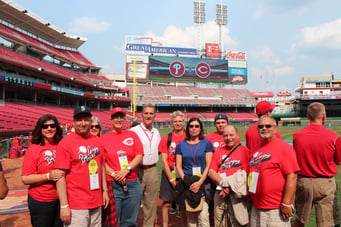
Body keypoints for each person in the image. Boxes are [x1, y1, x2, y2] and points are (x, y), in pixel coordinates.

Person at [55, 106, 109, 227]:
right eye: (79, 120)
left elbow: (101, 167)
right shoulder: (66, 143)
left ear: (91, 121)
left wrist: (104, 191)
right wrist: (64, 205)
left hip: (96, 200)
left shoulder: (97, 140)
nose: (83, 123)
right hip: (76, 204)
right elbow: (60, 176)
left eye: (86, 120)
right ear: (74, 122)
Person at [293, 102, 341, 227]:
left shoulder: (297, 136)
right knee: (326, 222)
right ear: (324, 116)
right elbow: (339, 161)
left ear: (307, 116)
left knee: (299, 219)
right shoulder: (334, 137)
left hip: (303, 181)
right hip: (325, 183)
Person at [248, 115, 299, 226]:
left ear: (275, 128)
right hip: (256, 206)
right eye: (261, 126)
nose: (264, 128)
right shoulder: (255, 149)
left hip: (275, 208)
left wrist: (286, 203)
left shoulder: (284, 148)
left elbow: (292, 176)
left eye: (268, 126)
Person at [101, 107, 144, 227]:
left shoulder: (132, 135)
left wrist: (126, 170)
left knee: (130, 222)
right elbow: (102, 162)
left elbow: (139, 155)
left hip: (132, 183)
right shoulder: (104, 138)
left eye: (121, 117)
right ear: (111, 120)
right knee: (113, 221)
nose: (119, 120)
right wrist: (115, 174)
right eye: (116, 117)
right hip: (113, 184)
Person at [21, 114, 64, 227]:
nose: (49, 129)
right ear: (40, 129)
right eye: (45, 126)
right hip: (41, 200)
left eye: (52, 125)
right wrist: (48, 176)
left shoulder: (63, 145)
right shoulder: (34, 149)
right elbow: (25, 178)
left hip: (62, 200)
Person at [175, 117, 214, 227]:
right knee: (191, 218)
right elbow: (178, 166)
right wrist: (186, 181)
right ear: (188, 129)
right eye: (191, 126)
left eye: (196, 126)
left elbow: (208, 165)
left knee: (203, 217)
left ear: (200, 128)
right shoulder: (181, 145)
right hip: (187, 184)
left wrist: (199, 183)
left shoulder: (206, 144)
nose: (194, 128)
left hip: (203, 183)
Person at [208, 125, 250, 227]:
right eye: (226, 135)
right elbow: (211, 171)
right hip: (220, 191)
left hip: (237, 192)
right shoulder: (219, 151)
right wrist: (223, 185)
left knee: (239, 222)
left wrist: (230, 188)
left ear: (237, 135)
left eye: (231, 135)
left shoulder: (244, 151)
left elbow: (245, 173)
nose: (229, 138)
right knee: (219, 221)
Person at [130, 103, 161, 227]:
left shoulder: (156, 132)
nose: (148, 116)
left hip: (152, 169)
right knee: (133, 202)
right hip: (137, 170)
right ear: (142, 115)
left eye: (151, 113)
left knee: (151, 203)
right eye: (146, 113)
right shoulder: (133, 131)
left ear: (154, 116)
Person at [158, 110, 186, 227]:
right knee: (167, 203)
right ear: (172, 123)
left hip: (184, 173)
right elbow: (163, 160)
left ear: (184, 122)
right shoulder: (166, 138)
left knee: (185, 203)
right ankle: (165, 224)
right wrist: (171, 179)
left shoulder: (188, 137)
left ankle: (186, 224)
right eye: (175, 121)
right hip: (170, 172)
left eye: (180, 121)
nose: (178, 123)